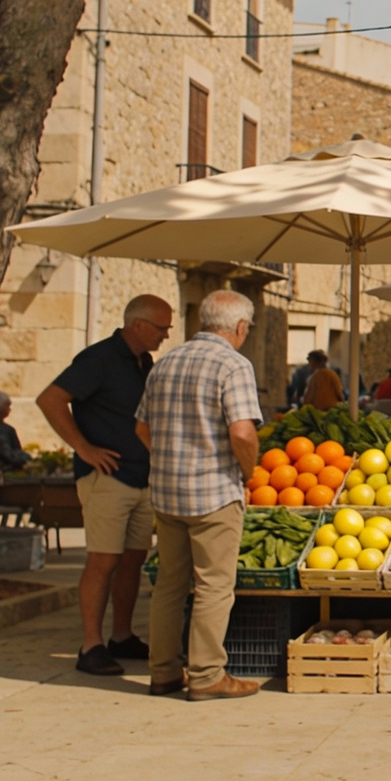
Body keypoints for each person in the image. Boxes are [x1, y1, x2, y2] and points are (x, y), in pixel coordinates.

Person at [137, 290, 263, 701]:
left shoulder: (165, 362)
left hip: (167, 492)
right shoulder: (233, 364)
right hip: (214, 493)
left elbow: (141, 428)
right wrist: (247, 472)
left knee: (169, 586)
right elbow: (243, 432)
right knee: (213, 586)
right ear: (240, 327)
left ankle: (164, 673)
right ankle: (207, 675)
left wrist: (171, 458)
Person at [38, 294, 171, 677]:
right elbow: (50, 399)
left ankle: (121, 635)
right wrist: (84, 448)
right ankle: (90, 644)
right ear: (138, 325)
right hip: (107, 478)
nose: (166, 334)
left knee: (132, 559)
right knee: (103, 560)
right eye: (161, 327)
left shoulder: (144, 362)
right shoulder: (97, 359)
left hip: (141, 476)